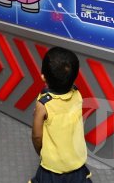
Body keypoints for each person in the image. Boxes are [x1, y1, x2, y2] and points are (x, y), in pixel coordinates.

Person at [31, 47, 92, 182]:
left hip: (52, 168)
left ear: (43, 76)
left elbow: (36, 136)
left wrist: (40, 151)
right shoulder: (77, 95)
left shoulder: (44, 104)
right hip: (77, 163)